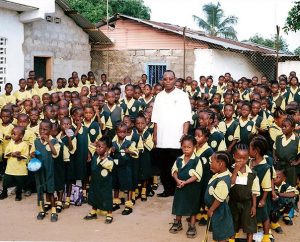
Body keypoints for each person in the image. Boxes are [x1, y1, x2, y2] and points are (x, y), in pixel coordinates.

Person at [152, 70, 192, 197]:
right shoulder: (159, 96)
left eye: (170, 79)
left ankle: (177, 189)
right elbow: (155, 118)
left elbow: (186, 117)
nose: (168, 81)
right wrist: (155, 135)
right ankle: (167, 190)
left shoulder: (182, 95)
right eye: (165, 79)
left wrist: (184, 135)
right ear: (162, 81)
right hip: (162, 138)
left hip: (176, 138)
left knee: (176, 165)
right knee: (164, 167)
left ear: (175, 80)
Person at [169, 135, 202, 238]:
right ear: (181, 147)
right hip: (180, 187)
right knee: (179, 204)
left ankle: (192, 226)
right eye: (184, 147)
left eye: (189, 147)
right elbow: (174, 171)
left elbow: (197, 175)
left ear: (194, 147)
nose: (186, 149)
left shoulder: (197, 160)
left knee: (193, 206)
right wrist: (177, 180)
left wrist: (186, 182)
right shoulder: (179, 159)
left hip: (192, 189)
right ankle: (178, 222)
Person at [229, 143, 260, 242]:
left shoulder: (252, 174)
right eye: (239, 158)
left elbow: (254, 192)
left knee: (249, 226)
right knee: (233, 224)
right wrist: (235, 170)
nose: (242, 161)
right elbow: (230, 183)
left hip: (248, 203)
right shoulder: (229, 170)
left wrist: (254, 206)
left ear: (248, 158)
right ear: (234, 156)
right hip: (233, 203)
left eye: (245, 158)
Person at [31, 120, 61, 222]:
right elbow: (32, 153)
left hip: (49, 170)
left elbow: (55, 153)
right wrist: (32, 154)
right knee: (40, 190)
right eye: (41, 129)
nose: (42, 131)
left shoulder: (54, 141)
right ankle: (41, 210)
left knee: (50, 190)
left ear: (50, 130)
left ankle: (53, 211)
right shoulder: (36, 141)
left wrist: (48, 141)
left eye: (45, 129)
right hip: (39, 170)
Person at [205, 151, 234, 242]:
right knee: (217, 230)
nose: (210, 164)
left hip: (219, 211)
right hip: (215, 209)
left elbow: (218, 199)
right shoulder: (220, 175)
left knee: (221, 233)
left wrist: (211, 209)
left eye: (212, 162)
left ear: (220, 164)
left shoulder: (223, 181)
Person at [84, 136, 114, 224]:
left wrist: (106, 155)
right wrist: (96, 143)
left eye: (100, 147)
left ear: (107, 148)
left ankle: (109, 214)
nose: (97, 148)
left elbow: (106, 165)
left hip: (105, 185)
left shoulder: (109, 161)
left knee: (106, 198)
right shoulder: (95, 156)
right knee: (94, 196)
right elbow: (90, 145)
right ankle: (94, 211)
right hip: (94, 182)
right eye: (97, 146)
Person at [249, 136, 272, 242]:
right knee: (252, 215)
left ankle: (266, 236)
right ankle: (252, 234)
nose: (248, 150)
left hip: (261, 196)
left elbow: (267, 187)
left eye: (250, 148)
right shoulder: (250, 162)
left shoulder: (265, 167)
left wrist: (263, 199)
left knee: (264, 216)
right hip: (251, 195)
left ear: (256, 151)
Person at [0, 126, 28, 201]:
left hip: (20, 170)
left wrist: (19, 156)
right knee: (6, 181)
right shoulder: (11, 143)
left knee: (19, 183)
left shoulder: (24, 144)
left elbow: (25, 156)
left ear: (21, 136)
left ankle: (18, 194)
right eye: (12, 133)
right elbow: (6, 153)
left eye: (14, 134)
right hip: (10, 168)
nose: (12, 135)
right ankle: (4, 192)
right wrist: (12, 154)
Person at [273, 116, 300, 187]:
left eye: (286, 126)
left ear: (293, 128)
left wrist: (297, 162)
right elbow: (274, 148)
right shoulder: (278, 138)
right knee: (278, 186)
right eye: (282, 126)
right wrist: (275, 158)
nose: (283, 128)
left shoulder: (297, 140)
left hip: (290, 168)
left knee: (289, 187)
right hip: (279, 167)